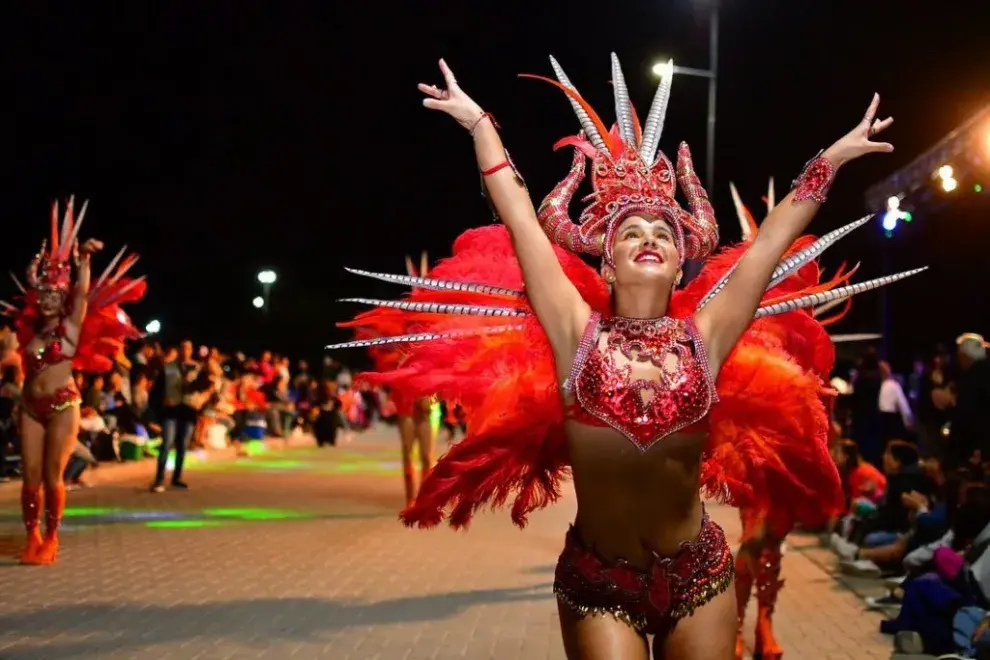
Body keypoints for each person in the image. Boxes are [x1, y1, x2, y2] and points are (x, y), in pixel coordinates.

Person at [329, 55, 920, 658]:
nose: (650, 239)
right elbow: (520, 218)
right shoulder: (573, 330)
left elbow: (769, 243)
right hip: (598, 583)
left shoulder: (706, 335)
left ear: (678, 260)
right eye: (633, 231)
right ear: (608, 260)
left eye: (664, 233)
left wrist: (832, 160)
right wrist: (481, 126)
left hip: (700, 579)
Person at [4, 197, 145, 564]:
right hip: (30, 407)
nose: (50, 298)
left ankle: (51, 537)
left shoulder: (69, 328)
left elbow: (81, 292)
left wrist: (83, 258)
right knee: (30, 478)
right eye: (44, 294)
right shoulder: (29, 331)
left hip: (63, 405)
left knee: (53, 477)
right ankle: (31, 535)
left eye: (56, 294)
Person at [339, 252, 436, 506]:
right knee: (407, 452)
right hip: (405, 396)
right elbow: (382, 349)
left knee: (426, 455)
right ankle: (409, 500)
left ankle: (424, 499)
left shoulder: (436, 327)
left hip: (425, 397)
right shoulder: (398, 327)